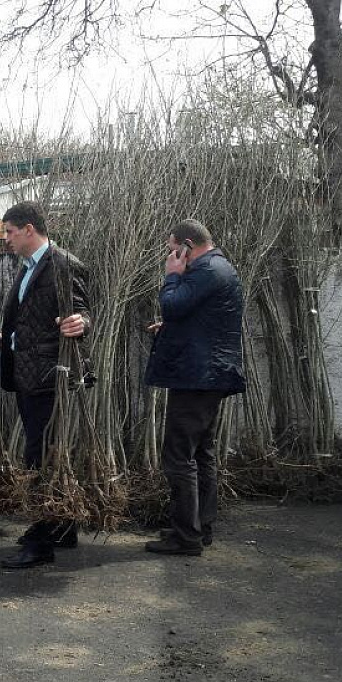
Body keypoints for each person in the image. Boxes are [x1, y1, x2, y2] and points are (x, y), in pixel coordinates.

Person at [0, 201, 92, 569]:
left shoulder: (64, 264)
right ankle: (61, 526)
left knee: (39, 456)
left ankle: (40, 542)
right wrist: (13, 338)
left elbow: (85, 312)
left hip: (50, 377)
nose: (6, 239)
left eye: (9, 232)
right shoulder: (29, 267)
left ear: (29, 229)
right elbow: (32, 319)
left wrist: (80, 323)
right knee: (47, 452)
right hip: (28, 373)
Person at [143, 219, 245, 555]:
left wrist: (172, 274)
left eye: (173, 248)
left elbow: (172, 304)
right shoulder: (220, 268)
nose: (170, 255)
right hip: (208, 375)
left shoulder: (205, 270)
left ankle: (185, 536)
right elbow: (201, 320)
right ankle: (200, 528)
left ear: (187, 245)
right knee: (202, 452)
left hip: (197, 377)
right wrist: (170, 329)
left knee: (179, 455)